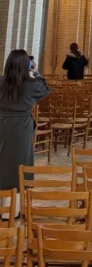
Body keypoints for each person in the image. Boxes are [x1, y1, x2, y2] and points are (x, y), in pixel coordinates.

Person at [0, 49, 51, 191]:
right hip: (21, 127)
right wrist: (36, 72)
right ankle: (17, 199)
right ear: (27, 65)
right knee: (20, 161)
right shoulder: (32, 85)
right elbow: (45, 89)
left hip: (2, 123)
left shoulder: (1, 81)